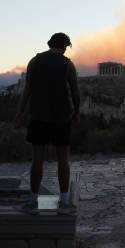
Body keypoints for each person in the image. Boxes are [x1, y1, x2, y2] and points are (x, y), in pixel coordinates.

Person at [14, 32, 80, 213]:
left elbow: (27, 90)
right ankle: (64, 202)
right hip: (61, 116)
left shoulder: (34, 62)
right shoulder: (68, 65)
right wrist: (77, 113)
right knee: (63, 160)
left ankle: (33, 202)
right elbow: (75, 92)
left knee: (37, 160)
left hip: (38, 115)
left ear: (49, 43)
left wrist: (20, 112)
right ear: (65, 46)